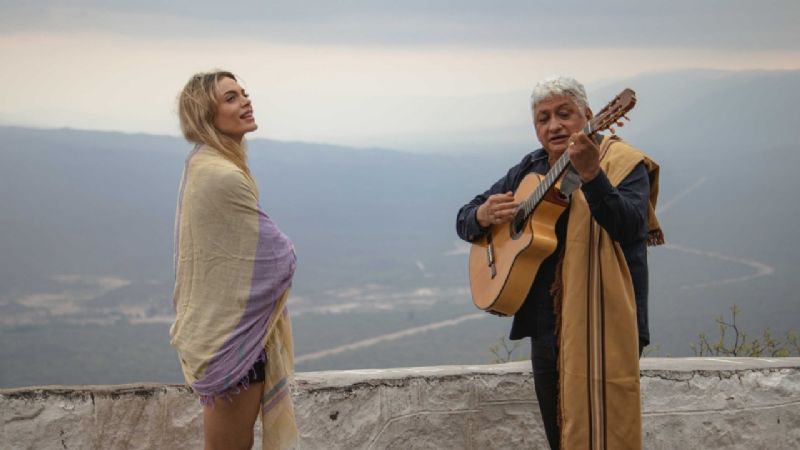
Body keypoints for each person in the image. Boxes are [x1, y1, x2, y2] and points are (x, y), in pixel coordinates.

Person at [456, 76, 663, 450]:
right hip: (545, 324)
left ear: (588, 116)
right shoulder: (531, 166)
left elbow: (630, 227)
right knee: (561, 437)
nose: (553, 125)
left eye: (564, 114)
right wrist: (482, 216)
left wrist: (591, 176)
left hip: (603, 321)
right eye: (543, 118)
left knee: (607, 430)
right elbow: (465, 218)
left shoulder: (622, 162)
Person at [171, 70, 298, 450]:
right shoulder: (220, 175)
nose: (245, 100)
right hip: (234, 347)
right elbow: (280, 257)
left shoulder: (206, 164)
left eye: (243, 93)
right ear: (205, 115)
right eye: (230, 98)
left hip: (225, 339)